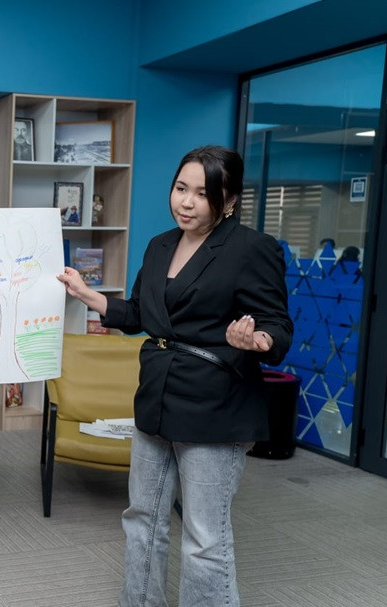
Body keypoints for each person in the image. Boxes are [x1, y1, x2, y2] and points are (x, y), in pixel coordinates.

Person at [58, 145, 292, 606]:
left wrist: (258, 340)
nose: (187, 202)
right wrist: (88, 295)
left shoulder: (251, 249)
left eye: (203, 194)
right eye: (181, 188)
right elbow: (141, 314)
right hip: (156, 399)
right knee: (142, 519)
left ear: (229, 200)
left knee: (204, 538)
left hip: (215, 407)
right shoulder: (160, 245)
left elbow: (277, 325)